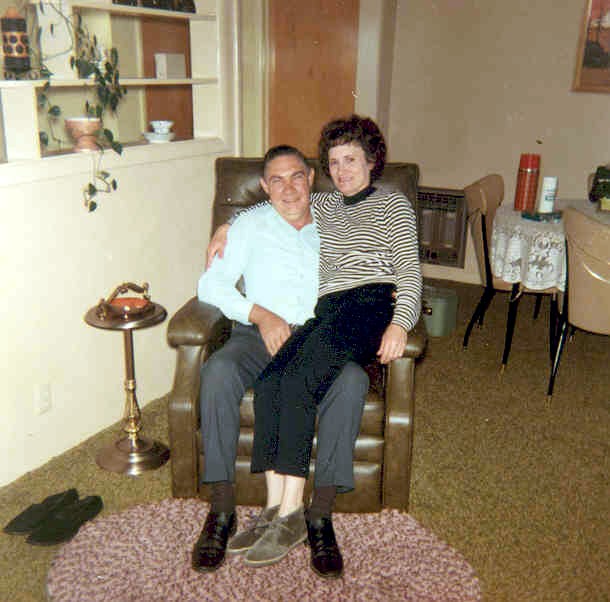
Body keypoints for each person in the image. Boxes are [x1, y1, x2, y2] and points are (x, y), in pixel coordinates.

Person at [209, 115, 423, 579]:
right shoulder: (324, 204)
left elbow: (409, 270)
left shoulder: (393, 203)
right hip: (328, 311)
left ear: (372, 161)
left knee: (297, 384)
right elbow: (267, 205)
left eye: (351, 160)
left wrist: (400, 323)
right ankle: (273, 508)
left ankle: (293, 515)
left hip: (368, 305)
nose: (342, 170)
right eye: (334, 162)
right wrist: (227, 225)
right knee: (272, 381)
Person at [191, 144, 369, 576]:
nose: (289, 189)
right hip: (256, 335)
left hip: (317, 337)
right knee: (217, 371)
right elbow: (210, 286)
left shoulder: (336, 220)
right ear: (264, 187)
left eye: (296, 177)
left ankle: (319, 516)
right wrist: (261, 315)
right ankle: (222, 509)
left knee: (352, 381)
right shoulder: (249, 226)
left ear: (311, 178)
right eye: (277, 180)